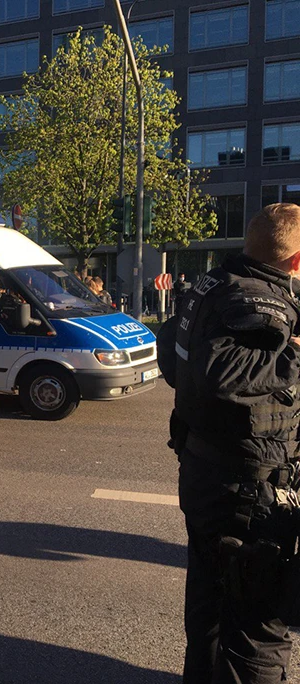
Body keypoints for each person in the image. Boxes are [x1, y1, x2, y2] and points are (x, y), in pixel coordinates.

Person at [156, 203, 300, 683]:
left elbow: (173, 360)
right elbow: (222, 371)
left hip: (206, 471)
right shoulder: (262, 302)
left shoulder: (209, 286)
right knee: (259, 623)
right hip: (246, 487)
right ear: (295, 261)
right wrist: (294, 361)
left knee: (211, 598)